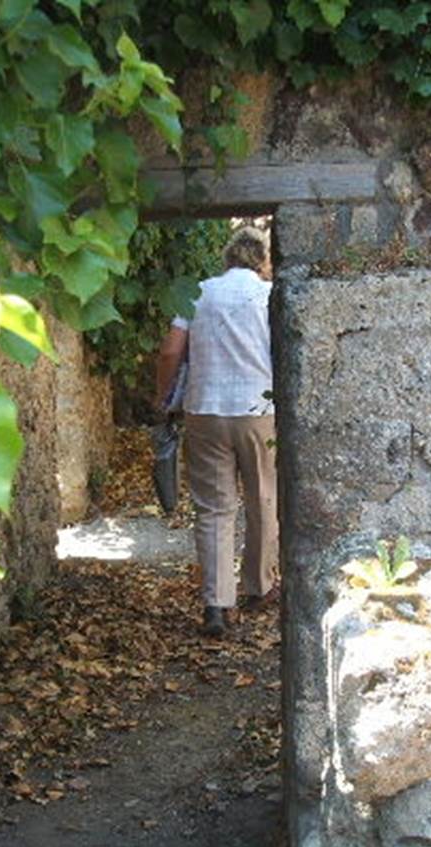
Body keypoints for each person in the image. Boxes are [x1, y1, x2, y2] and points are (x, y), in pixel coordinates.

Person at [155, 226, 278, 638]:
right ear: (262, 261)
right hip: (259, 409)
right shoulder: (269, 296)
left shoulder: (198, 294)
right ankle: (260, 587)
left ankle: (217, 605)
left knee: (213, 507)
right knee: (263, 497)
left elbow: (171, 351)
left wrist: (162, 398)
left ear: (226, 259)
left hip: (204, 410)